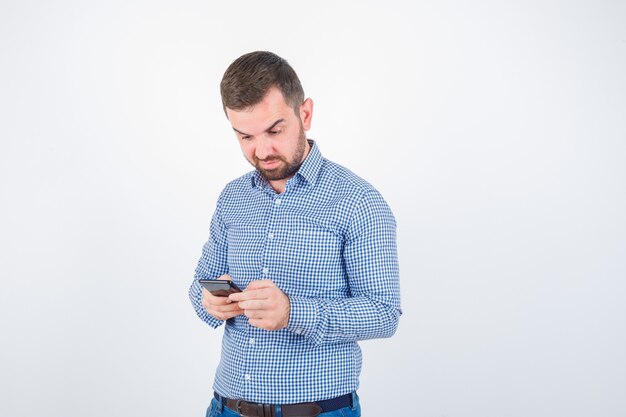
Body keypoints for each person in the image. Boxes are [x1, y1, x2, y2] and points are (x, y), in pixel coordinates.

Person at [189, 51, 401, 417]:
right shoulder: (232, 197)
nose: (262, 150)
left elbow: (384, 314)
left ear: (305, 114)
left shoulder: (358, 201)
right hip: (225, 407)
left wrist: (293, 312)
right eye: (245, 137)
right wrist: (210, 302)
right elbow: (199, 285)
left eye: (275, 131)